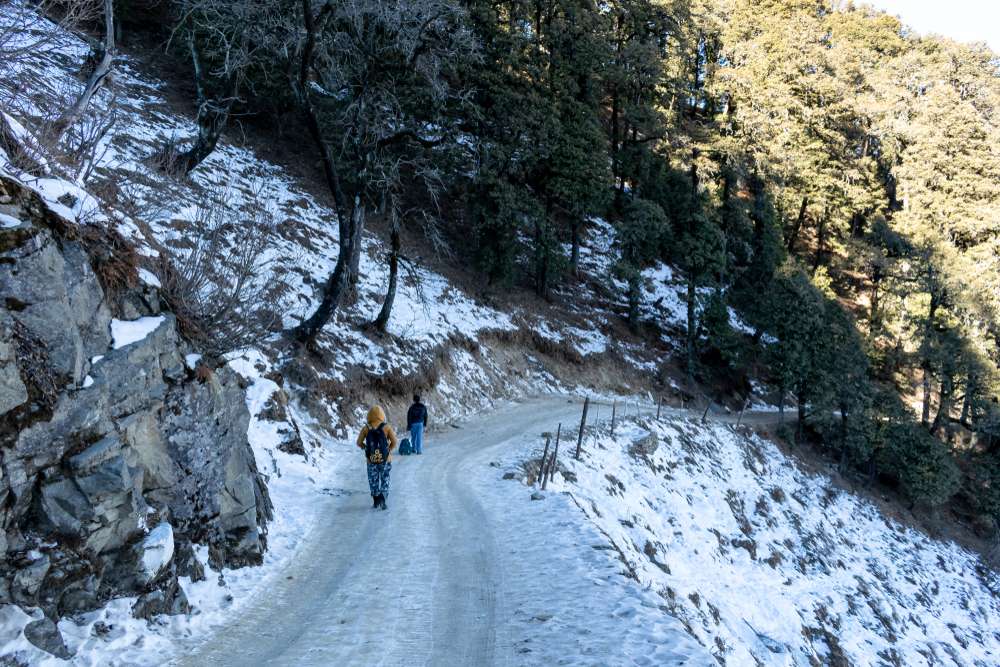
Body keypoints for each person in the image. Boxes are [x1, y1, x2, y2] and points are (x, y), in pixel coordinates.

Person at [357, 405, 397, 510]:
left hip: (371, 460)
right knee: (385, 478)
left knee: (373, 480)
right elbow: (394, 442)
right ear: (382, 415)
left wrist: (365, 447)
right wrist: (388, 450)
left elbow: (358, 442)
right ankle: (383, 497)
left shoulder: (366, 428)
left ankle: (376, 500)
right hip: (385, 459)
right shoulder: (387, 427)